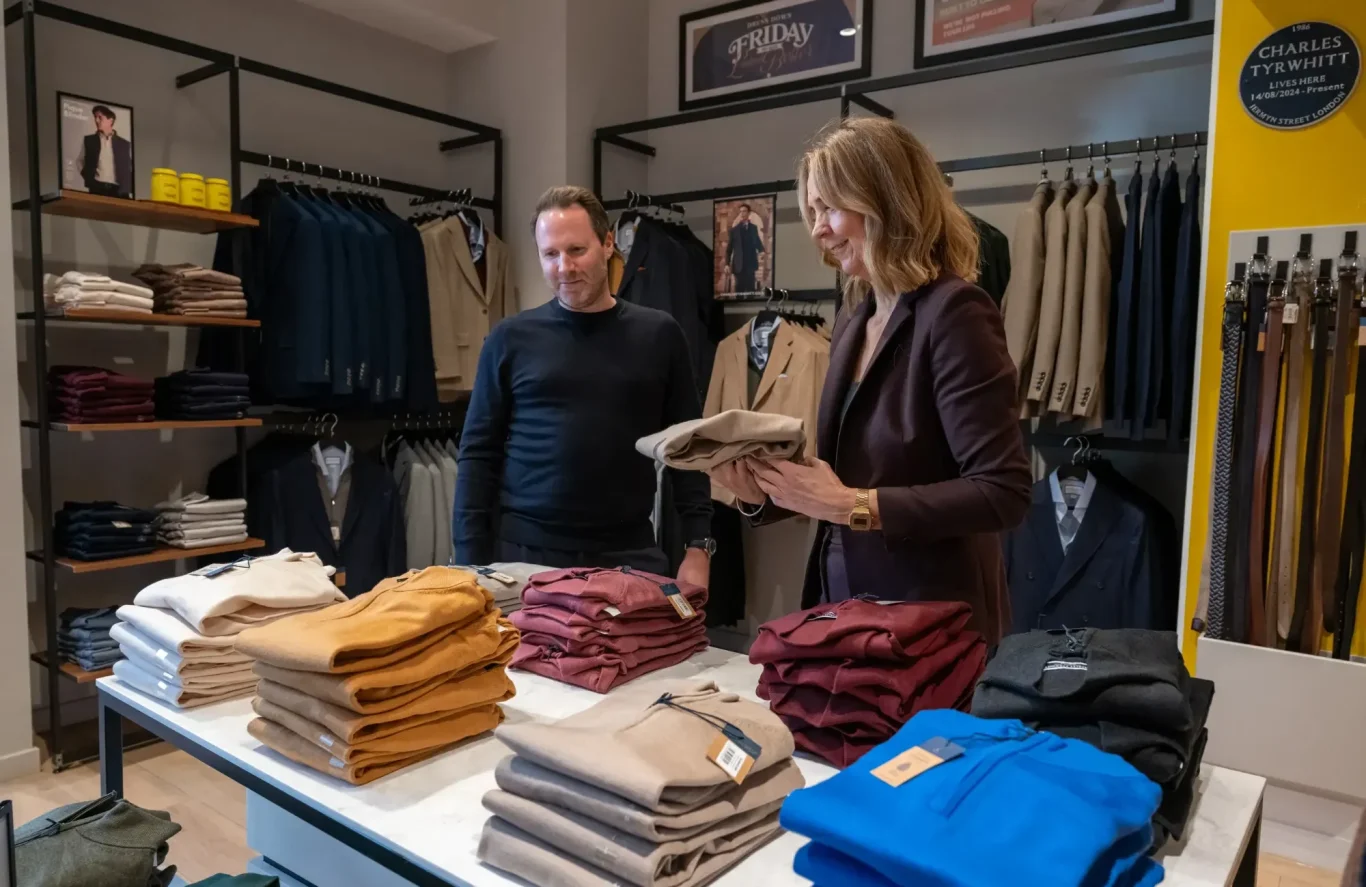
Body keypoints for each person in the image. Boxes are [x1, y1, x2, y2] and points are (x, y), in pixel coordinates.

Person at [709, 117, 1031, 644]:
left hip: (928, 624)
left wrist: (851, 505)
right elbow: (843, 477)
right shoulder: (856, 318)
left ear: (887, 199)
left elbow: (1003, 492)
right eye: (811, 212)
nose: (817, 229)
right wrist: (761, 492)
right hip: (845, 608)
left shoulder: (955, 313)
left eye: (829, 208)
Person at [453, 185, 714, 587]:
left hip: (628, 554)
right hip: (523, 557)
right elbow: (477, 455)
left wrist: (698, 547)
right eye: (550, 255)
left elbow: (689, 448)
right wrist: (470, 563)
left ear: (608, 244)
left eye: (577, 251)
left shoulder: (659, 334)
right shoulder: (510, 338)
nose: (564, 268)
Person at [75, 105, 132, 198]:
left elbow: (129, 167)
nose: (96, 120)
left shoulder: (124, 144)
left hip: (118, 191)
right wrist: (89, 178)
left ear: (111, 120)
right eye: (95, 117)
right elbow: (79, 161)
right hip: (97, 188)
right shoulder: (89, 140)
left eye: (100, 117)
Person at [726, 203, 765, 294]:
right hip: (738, 265)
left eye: (744, 211)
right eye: (741, 212)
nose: (742, 214)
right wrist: (727, 264)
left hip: (750, 264)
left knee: (751, 289)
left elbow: (757, 241)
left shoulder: (753, 228)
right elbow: (729, 248)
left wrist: (761, 250)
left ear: (748, 213)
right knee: (739, 290)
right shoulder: (734, 230)